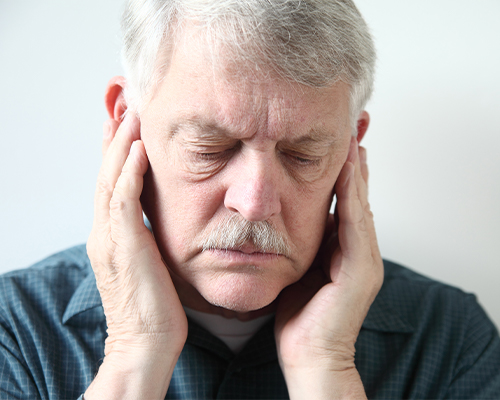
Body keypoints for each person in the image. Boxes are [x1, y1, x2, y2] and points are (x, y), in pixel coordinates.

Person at [0, 0, 499, 399]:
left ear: (351, 145)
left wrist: (326, 368)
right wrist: (135, 357)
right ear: (125, 122)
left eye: (302, 155)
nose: (256, 202)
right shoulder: (16, 331)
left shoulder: (452, 338)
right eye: (210, 149)